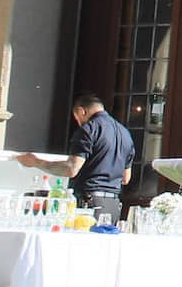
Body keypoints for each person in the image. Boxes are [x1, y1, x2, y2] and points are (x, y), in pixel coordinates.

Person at [18, 93, 134, 224]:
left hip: (88, 203)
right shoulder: (125, 133)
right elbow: (125, 178)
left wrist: (36, 162)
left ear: (81, 111)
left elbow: (71, 169)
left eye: (77, 119)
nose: (79, 123)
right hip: (113, 204)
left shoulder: (89, 129)